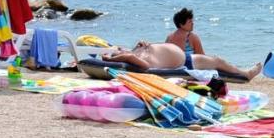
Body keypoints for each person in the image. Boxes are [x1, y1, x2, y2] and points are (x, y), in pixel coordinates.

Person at [103, 41, 261, 81]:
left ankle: (244, 72)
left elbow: (130, 54)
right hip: (184, 63)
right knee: (218, 61)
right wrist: (113, 57)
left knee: (218, 61)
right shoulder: (135, 59)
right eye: (119, 50)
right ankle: (245, 74)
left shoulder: (136, 52)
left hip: (184, 59)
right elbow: (131, 58)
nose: (121, 49)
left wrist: (141, 46)